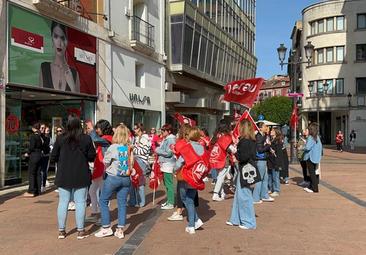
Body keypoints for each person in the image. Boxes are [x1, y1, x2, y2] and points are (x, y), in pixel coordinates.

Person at [51, 116, 96, 239]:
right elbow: (92, 156)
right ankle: (80, 230)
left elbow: (53, 156)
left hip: (64, 174)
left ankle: (61, 230)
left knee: (63, 202)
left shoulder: (60, 138)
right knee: (80, 202)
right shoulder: (86, 138)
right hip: (81, 173)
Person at [94, 124, 134, 239]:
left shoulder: (113, 147)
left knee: (103, 200)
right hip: (126, 178)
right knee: (122, 203)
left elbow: (105, 162)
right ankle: (120, 229)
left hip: (113, 177)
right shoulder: (129, 147)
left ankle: (106, 227)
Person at [174, 127, 205, 234]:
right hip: (197, 176)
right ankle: (196, 220)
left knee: (185, 199)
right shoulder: (202, 147)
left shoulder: (187, 147)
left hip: (186, 176)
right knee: (190, 198)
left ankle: (191, 225)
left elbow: (179, 162)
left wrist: (174, 170)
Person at [226, 119, 256, 229]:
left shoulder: (244, 141)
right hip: (248, 168)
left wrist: (234, 151)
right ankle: (236, 219)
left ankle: (249, 222)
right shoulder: (251, 140)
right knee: (240, 194)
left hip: (245, 169)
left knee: (244, 195)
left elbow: (243, 156)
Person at [85, 120, 113, 223]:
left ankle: (104, 216)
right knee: (92, 191)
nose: (97, 130)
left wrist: (91, 129)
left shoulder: (108, 139)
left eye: (98, 128)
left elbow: (95, 139)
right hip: (99, 168)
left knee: (104, 194)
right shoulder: (104, 138)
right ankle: (95, 213)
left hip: (104, 169)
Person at [40, 21, 80, 93]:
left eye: (62, 38)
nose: (59, 43)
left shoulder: (74, 73)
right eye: (56, 37)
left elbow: (78, 102)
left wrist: (72, 87)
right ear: (52, 38)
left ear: (67, 42)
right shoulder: (44, 68)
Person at [210, 120, 236, 201]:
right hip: (223, 158)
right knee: (221, 176)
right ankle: (216, 193)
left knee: (220, 176)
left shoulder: (216, 135)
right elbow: (229, 147)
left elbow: (210, 145)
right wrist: (235, 149)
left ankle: (222, 193)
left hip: (215, 157)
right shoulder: (225, 136)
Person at [129, 123, 151, 207]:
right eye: (134, 128)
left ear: (140, 129)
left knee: (139, 182)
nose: (134, 130)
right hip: (134, 160)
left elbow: (144, 151)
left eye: (135, 128)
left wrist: (133, 149)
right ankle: (133, 201)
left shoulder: (145, 138)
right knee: (132, 181)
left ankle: (141, 201)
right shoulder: (135, 138)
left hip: (142, 162)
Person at [156, 123, 176, 210]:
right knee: (167, 183)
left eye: (164, 130)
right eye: (162, 130)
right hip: (165, 163)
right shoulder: (167, 139)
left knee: (169, 184)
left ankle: (171, 202)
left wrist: (157, 150)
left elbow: (169, 153)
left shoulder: (170, 139)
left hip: (168, 163)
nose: (162, 132)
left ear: (169, 131)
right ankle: (169, 201)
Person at [253, 122, 274, 203]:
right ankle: (255, 198)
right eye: (265, 126)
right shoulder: (258, 137)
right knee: (259, 179)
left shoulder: (263, 136)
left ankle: (264, 195)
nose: (266, 127)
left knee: (265, 178)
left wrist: (269, 148)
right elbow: (260, 150)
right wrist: (268, 145)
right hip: (260, 159)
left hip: (264, 159)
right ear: (260, 128)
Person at [24, 123, 43, 197]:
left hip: (34, 156)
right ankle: (38, 190)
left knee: (31, 173)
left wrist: (27, 153)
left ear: (33, 128)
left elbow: (31, 147)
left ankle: (31, 191)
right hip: (39, 156)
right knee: (38, 173)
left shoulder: (33, 136)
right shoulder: (39, 136)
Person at [303, 122, 323, 193]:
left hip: (310, 157)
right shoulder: (317, 137)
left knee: (312, 174)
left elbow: (307, 147)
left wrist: (302, 147)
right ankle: (311, 186)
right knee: (313, 173)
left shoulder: (311, 137)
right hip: (316, 157)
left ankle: (315, 188)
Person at [267, 128, 285, 197]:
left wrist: (273, 151)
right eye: (271, 130)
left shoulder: (278, 141)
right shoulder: (272, 140)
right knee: (270, 176)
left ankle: (276, 190)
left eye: (272, 131)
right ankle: (271, 188)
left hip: (275, 161)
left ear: (276, 132)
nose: (271, 131)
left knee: (275, 176)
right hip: (271, 161)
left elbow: (279, 153)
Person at [40, 123, 51, 193]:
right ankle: (40, 184)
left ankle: (43, 185)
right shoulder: (38, 136)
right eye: (42, 128)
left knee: (44, 171)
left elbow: (46, 146)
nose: (43, 130)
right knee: (40, 171)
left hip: (45, 155)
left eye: (44, 128)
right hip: (40, 156)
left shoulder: (47, 138)